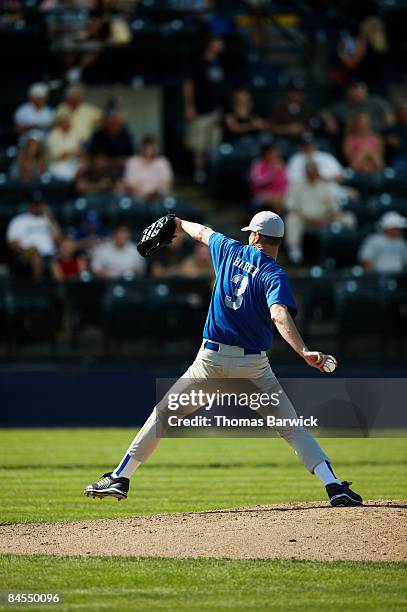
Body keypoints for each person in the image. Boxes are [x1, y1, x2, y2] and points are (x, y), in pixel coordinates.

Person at [84, 210, 363, 507]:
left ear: (254, 236)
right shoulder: (275, 274)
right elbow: (279, 314)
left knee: (164, 415)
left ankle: (121, 477)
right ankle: (333, 486)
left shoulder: (229, 249)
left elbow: (202, 232)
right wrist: (303, 351)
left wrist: (178, 224)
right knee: (292, 429)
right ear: (278, 241)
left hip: (210, 363)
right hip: (253, 368)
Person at [183, 35, 225, 184]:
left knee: (213, 146)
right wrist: (189, 106)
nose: (221, 44)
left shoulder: (218, 63)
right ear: (210, 44)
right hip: (200, 110)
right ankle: (199, 174)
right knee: (198, 146)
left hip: (214, 111)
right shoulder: (199, 63)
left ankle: (211, 175)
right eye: (218, 42)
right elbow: (189, 84)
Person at [284, 160, 344, 264]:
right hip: (304, 220)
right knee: (292, 219)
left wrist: (326, 219)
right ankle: (294, 251)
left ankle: (336, 255)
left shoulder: (325, 187)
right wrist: (306, 217)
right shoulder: (297, 187)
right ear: (306, 172)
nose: (312, 173)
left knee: (348, 219)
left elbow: (335, 210)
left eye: (315, 171)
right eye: (310, 171)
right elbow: (289, 207)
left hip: (323, 220)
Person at [6, 190, 61, 279]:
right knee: (36, 256)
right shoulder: (19, 220)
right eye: (34, 203)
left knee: (59, 258)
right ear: (29, 204)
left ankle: (63, 289)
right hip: (28, 253)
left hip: (50, 254)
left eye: (38, 204)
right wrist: (25, 249)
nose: (36, 206)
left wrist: (51, 218)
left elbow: (58, 239)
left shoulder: (47, 220)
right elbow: (11, 242)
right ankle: (38, 288)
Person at [320, 81, 394, 137]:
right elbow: (324, 111)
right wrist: (329, 120)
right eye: (353, 91)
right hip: (351, 137)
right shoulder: (343, 106)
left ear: (365, 91)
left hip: (375, 135)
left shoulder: (375, 102)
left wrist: (388, 117)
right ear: (348, 93)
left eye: (358, 91)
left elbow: (389, 114)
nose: (356, 94)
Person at [336, 16, 389, 92]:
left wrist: (341, 52)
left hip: (361, 85)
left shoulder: (363, 44)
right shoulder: (383, 46)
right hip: (379, 84)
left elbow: (351, 64)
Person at [124, 135, 173, 202]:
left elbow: (166, 183)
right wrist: (144, 195)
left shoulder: (163, 162)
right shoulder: (133, 162)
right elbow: (129, 184)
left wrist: (155, 194)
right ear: (142, 148)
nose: (149, 150)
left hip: (159, 199)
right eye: (147, 147)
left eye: (152, 147)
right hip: (136, 199)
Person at [88, 109, 134, 174]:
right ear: (107, 123)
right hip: (102, 166)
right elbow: (94, 155)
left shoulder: (126, 136)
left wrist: (121, 160)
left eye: (118, 123)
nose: (115, 126)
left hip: (121, 166)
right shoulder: (98, 135)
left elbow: (131, 156)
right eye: (112, 123)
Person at [249, 143, 288, 215]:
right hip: (261, 195)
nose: (274, 156)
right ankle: (280, 223)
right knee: (276, 201)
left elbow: (286, 181)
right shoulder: (258, 163)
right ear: (266, 154)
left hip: (280, 194)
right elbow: (257, 181)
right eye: (272, 154)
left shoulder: (281, 164)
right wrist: (273, 172)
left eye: (276, 154)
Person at [47, 112, 82, 182]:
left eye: (68, 121)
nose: (68, 123)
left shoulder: (74, 133)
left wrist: (78, 152)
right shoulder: (53, 135)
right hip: (57, 165)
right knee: (72, 176)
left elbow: (79, 150)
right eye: (65, 121)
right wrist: (72, 152)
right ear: (59, 123)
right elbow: (57, 157)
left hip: (73, 162)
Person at [385, 103, 407, 172]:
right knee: (398, 167)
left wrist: (400, 144)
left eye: (406, 113)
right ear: (397, 114)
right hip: (398, 158)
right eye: (402, 112)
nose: (404, 114)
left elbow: (399, 144)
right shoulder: (391, 130)